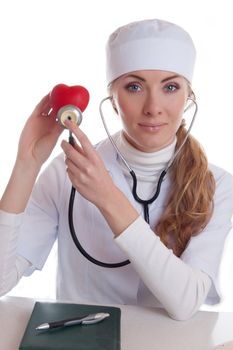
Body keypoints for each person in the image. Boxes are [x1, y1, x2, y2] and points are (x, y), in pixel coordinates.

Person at [1, 19, 233, 321]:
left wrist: (108, 198)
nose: (153, 107)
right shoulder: (68, 172)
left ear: (189, 97)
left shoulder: (218, 184)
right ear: (112, 99)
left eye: (170, 87)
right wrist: (26, 165)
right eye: (134, 87)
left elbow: (186, 303)